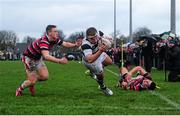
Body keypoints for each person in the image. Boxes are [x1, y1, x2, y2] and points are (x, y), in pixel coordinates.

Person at [15, 25, 82, 96]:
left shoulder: (54, 39)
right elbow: (46, 56)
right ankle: (19, 89)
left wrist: (75, 45)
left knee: (45, 77)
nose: (57, 33)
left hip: (38, 58)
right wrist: (60, 61)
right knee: (32, 81)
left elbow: (65, 44)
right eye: (55, 31)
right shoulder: (44, 41)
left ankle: (32, 81)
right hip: (29, 59)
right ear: (49, 33)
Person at [81, 27, 113, 96]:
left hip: (98, 53)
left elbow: (109, 43)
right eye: (91, 38)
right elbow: (90, 59)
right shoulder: (85, 44)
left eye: (95, 37)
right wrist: (101, 50)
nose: (94, 39)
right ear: (87, 38)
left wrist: (107, 43)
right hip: (91, 62)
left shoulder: (98, 36)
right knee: (101, 76)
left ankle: (92, 72)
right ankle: (103, 87)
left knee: (110, 62)